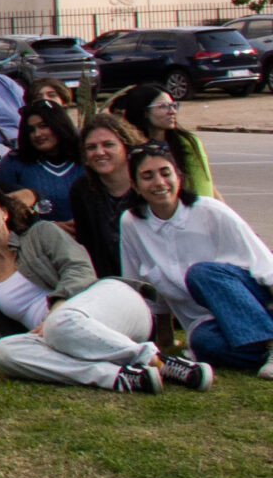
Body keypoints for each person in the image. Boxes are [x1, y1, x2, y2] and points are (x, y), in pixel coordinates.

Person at [0, 182, 208, 391]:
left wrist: (58, 306)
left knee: (59, 324)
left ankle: (156, 360)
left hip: (114, 306)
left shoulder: (41, 233)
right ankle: (119, 377)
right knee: (4, 351)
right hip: (64, 342)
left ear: (4, 211)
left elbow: (79, 269)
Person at [116, 143, 273, 373]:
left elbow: (265, 265)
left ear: (178, 177)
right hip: (209, 321)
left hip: (254, 303)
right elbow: (142, 287)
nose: (159, 182)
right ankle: (263, 354)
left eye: (165, 173)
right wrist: (164, 338)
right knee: (203, 343)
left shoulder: (211, 211)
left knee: (201, 273)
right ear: (135, 186)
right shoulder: (131, 222)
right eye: (147, 176)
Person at [113, 82, 215, 200]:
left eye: (173, 105)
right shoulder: (128, 148)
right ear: (144, 112)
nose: (172, 111)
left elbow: (204, 188)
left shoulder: (186, 143)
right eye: (163, 106)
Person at [71, 113, 144, 277]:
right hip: (110, 280)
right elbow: (88, 247)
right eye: (91, 147)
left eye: (108, 144)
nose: (99, 152)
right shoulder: (82, 190)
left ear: (127, 147)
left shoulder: (147, 183)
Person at [0, 100, 84, 220]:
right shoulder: (13, 163)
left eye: (43, 126)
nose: (37, 134)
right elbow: (1, 209)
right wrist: (50, 227)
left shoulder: (84, 158)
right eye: (31, 130)